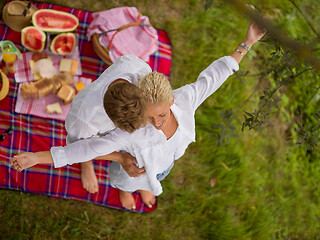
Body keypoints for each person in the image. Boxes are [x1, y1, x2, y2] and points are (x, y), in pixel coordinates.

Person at [10, 22, 266, 210]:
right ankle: (130, 190)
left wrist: (247, 42)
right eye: (149, 118)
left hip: (164, 164)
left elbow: (212, 77)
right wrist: (36, 157)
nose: (157, 124)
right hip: (131, 170)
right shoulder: (122, 129)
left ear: (172, 99)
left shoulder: (183, 99)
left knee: (156, 176)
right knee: (128, 181)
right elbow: (81, 149)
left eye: (161, 115)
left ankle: (148, 185)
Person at [60, 55, 152, 194]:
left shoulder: (138, 69)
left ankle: (137, 184)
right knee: (83, 149)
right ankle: (86, 164)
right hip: (89, 135)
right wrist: (120, 157)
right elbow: (76, 147)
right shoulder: (82, 121)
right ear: (110, 119)